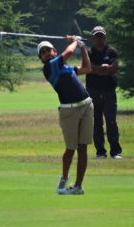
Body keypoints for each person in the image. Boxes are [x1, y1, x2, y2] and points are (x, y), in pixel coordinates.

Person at [37, 36, 93, 195]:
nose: (46, 53)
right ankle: (64, 176)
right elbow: (68, 52)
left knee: (83, 148)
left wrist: (82, 46)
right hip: (68, 111)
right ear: (41, 59)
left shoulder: (66, 68)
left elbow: (87, 68)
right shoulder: (49, 68)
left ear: (54, 51)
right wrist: (75, 40)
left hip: (87, 106)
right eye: (43, 53)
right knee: (70, 149)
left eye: (48, 50)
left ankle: (78, 186)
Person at [86, 26, 122, 159]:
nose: (99, 38)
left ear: (105, 37)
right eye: (97, 36)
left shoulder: (112, 52)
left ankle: (115, 151)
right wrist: (102, 68)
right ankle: (100, 151)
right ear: (93, 38)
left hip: (109, 91)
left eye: (101, 35)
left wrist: (97, 70)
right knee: (96, 123)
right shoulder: (89, 52)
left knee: (111, 121)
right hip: (93, 91)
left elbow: (113, 69)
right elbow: (87, 68)